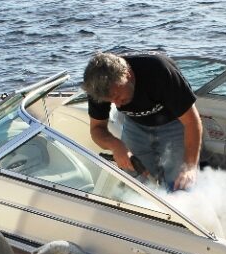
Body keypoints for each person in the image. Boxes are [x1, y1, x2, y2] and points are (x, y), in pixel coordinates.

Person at [82, 51, 203, 191]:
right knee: (133, 184)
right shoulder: (97, 88)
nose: (118, 105)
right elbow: (97, 129)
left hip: (175, 124)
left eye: (118, 96)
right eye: (110, 101)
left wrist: (190, 168)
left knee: (182, 183)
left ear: (127, 75)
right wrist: (116, 146)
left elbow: (192, 122)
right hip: (135, 126)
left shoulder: (159, 70)